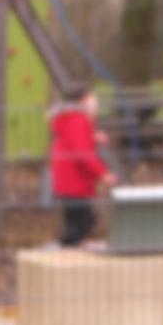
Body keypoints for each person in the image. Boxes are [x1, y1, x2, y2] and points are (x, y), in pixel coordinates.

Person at [49, 86, 116, 247]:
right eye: (92, 98)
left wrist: (92, 138)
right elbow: (82, 153)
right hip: (74, 180)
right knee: (84, 221)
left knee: (77, 220)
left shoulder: (72, 119)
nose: (96, 102)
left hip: (69, 179)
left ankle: (67, 247)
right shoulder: (78, 120)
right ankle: (63, 248)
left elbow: (74, 142)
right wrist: (103, 173)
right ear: (82, 101)